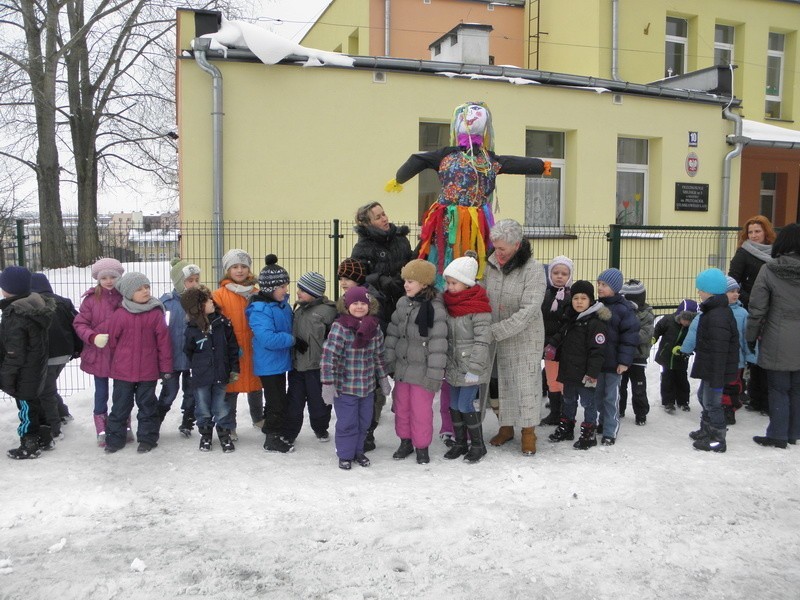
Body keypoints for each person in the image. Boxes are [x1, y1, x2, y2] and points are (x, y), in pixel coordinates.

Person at [481, 219, 546, 456]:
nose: (497, 253)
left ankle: (528, 432)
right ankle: (506, 427)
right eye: (495, 247)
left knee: (525, 383)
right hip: (495, 333)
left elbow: (529, 310)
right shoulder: (490, 265)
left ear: (517, 245)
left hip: (525, 335)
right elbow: (482, 294)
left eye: (502, 249)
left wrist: (496, 330)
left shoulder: (533, 269)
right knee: (502, 382)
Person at [350, 204, 413, 446]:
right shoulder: (363, 247)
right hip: (377, 312)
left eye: (384, 214)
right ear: (366, 223)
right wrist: (380, 280)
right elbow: (359, 278)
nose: (385, 219)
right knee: (376, 369)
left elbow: (411, 264)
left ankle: (405, 418)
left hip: (403, 308)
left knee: (403, 364)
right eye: (378, 217)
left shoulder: (401, 240)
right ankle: (368, 430)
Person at [385, 259, 448, 465]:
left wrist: (434, 375)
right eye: (405, 280)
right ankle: (405, 442)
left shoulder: (435, 308)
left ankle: (422, 447)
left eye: (410, 281)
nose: (406, 285)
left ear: (424, 283)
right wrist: (389, 360)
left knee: (421, 411)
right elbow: (393, 333)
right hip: (403, 370)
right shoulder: (403, 303)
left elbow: (438, 344)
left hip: (423, 373)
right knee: (401, 407)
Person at [320, 286, 391, 470]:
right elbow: (329, 357)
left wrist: (383, 379)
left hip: (366, 387)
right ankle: (345, 454)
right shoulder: (340, 327)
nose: (359, 307)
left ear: (370, 305)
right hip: (345, 388)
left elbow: (379, 356)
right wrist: (328, 383)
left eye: (363, 303)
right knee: (347, 423)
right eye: (355, 303)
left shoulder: (374, 328)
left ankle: (358, 451)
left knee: (364, 421)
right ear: (346, 305)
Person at [104, 273, 173, 454]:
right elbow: (112, 342)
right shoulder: (120, 314)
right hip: (123, 372)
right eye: (139, 289)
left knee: (147, 406)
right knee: (120, 407)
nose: (145, 291)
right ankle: (114, 439)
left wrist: (166, 368)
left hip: (147, 372)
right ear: (128, 293)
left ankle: (147, 438)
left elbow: (163, 344)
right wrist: (114, 364)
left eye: (147, 287)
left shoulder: (156, 314)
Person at [746, 223, 800, 449]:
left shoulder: (770, 269)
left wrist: (751, 335)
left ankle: (777, 434)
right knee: (797, 387)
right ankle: (793, 432)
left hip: (778, 334)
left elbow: (757, 308)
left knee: (778, 387)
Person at [545, 280, 609, 450]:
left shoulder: (595, 323)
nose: (579, 302)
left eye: (583, 298)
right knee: (568, 400)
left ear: (591, 301)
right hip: (568, 372)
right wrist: (552, 345)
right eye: (575, 298)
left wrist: (592, 374)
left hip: (586, 374)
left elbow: (598, 352)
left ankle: (589, 433)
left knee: (588, 403)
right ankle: (567, 428)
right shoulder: (570, 319)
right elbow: (561, 334)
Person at [441, 252, 492, 463]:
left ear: (467, 283)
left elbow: (482, 341)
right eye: (449, 283)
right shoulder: (449, 304)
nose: (450, 287)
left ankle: (479, 445)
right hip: (453, 364)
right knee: (453, 405)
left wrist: (475, 368)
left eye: (454, 283)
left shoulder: (478, 308)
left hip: (471, 367)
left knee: (465, 405)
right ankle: (461, 442)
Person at [1, 266, 55, 459]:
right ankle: (45, 437)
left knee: (26, 409)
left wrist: (7, 375)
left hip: (24, 372)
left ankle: (29, 443)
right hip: (36, 368)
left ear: (8, 289)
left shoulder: (16, 314)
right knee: (34, 404)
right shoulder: (33, 306)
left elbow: (14, 351)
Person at [72, 257, 125, 446]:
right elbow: (80, 323)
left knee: (122, 392)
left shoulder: (125, 296)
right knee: (101, 392)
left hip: (121, 354)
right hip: (99, 354)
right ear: (98, 279)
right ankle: (101, 428)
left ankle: (122, 424)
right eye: (104, 278)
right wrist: (93, 337)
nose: (109, 281)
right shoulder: (91, 300)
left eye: (113, 277)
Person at [337, 256, 388, 452]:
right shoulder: (346, 299)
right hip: (349, 368)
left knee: (370, 401)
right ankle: (349, 446)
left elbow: (378, 329)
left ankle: (368, 434)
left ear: (357, 278)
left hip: (367, 362)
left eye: (347, 278)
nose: (343, 282)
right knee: (352, 409)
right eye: (340, 278)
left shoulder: (368, 300)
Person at [686, 268, 739, 453]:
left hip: (717, 370)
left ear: (709, 291)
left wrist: (717, 378)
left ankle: (717, 439)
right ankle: (706, 430)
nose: (698, 292)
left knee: (713, 403)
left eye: (700, 289)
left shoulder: (718, 315)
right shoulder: (713, 311)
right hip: (711, 367)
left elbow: (719, 350)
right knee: (703, 398)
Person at [181, 286, 240, 453]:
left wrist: (234, 368)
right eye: (207, 300)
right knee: (203, 407)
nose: (212, 301)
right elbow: (188, 351)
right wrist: (199, 367)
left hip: (222, 374)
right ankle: (205, 434)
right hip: (202, 377)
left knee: (221, 406)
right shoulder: (192, 330)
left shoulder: (223, 323)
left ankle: (224, 433)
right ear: (198, 306)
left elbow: (233, 348)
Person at [213, 249, 264, 439]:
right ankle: (229, 424)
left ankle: (258, 417)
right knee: (231, 388)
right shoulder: (219, 295)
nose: (240, 270)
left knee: (256, 384)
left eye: (243, 266)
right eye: (235, 266)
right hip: (231, 349)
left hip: (254, 346)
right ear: (228, 270)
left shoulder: (257, 293)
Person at [246, 255, 295, 454]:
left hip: (279, 362)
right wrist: (292, 340)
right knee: (276, 401)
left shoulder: (281, 305)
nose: (286, 290)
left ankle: (273, 428)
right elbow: (268, 339)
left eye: (286, 286)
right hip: (268, 364)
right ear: (270, 288)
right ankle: (272, 438)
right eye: (282, 287)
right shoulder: (260, 309)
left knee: (278, 399)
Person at [729, 215, 775, 414]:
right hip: (749, 309)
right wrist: (751, 298)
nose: (754, 235)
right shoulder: (743, 253)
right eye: (750, 232)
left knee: (765, 354)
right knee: (749, 352)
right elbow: (733, 282)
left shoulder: (776, 253)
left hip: (772, 310)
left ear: (766, 232)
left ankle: (762, 397)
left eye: (758, 231)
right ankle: (746, 393)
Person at [286, 272, 337, 444]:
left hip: (318, 368)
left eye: (303, 290)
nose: (298, 292)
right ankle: (290, 432)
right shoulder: (299, 310)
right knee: (294, 403)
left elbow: (333, 338)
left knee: (319, 404)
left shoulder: (328, 312)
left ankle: (320, 428)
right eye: (299, 288)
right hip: (297, 367)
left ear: (314, 292)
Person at [30, 273, 82, 442]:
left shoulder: (31, 304)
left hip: (46, 354)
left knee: (45, 392)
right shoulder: (62, 301)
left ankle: (54, 428)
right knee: (48, 387)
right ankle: (63, 414)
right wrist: (77, 348)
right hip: (64, 352)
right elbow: (76, 324)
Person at [594, 268, 639, 445]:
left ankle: (610, 430)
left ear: (615, 287)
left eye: (604, 285)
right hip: (598, 362)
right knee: (598, 396)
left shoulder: (624, 309)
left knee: (611, 397)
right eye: (598, 284)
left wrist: (624, 361)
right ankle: (603, 421)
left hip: (614, 364)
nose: (600, 288)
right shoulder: (597, 306)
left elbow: (629, 338)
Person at [158, 259, 201, 437]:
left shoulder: (201, 302)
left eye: (197, 280)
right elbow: (159, 330)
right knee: (169, 392)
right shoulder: (166, 303)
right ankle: (155, 420)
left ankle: (188, 422)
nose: (194, 284)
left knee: (192, 392)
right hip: (172, 357)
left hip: (194, 358)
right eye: (190, 280)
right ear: (178, 282)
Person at [539, 255, 573, 426]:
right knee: (551, 379)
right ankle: (554, 413)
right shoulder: (544, 294)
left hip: (564, 347)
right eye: (556, 272)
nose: (560, 276)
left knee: (563, 381)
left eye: (564, 273)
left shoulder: (571, 297)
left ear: (570, 276)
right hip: (548, 347)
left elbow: (568, 323)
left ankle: (565, 413)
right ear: (550, 274)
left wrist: (555, 341)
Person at [618, 279, 654, 425]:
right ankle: (619, 410)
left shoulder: (647, 314)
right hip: (621, 356)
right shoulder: (622, 312)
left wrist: (627, 337)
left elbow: (646, 333)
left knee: (639, 387)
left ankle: (641, 413)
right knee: (620, 386)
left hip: (638, 356)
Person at [722, 277, 757, 425]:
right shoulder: (717, 311)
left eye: (737, 291)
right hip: (720, 357)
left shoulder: (743, 313)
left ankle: (729, 409)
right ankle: (719, 407)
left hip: (737, 359)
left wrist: (751, 356)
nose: (736, 294)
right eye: (731, 291)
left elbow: (747, 337)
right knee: (719, 385)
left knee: (733, 385)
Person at [653, 299, 698, 413]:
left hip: (681, 358)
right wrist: (654, 337)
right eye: (684, 319)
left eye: (689, 320)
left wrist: (683, 350)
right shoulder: (668, 320)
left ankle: (683, 401)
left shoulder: (692, 329)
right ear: (679, 315)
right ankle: (668, 402)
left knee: (682, 380)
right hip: (666, 357)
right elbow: (658, 328)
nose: (686, 322)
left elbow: (694, 342)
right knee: (667, 379)